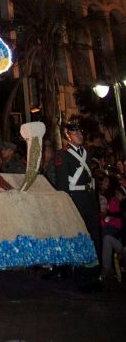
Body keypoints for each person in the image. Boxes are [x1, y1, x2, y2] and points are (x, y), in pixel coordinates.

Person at [54, 119, 102, 293]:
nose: (80, 135)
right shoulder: (62, 154)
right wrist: (65, 204)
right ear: (68, 135)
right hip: (75, 200)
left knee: (94, 237)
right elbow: (62, 183)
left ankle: (94, 273)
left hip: (89, 199)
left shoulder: (86, 153)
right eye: (75, 133)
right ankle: (81, 277)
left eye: (80, 133)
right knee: (79, 237)